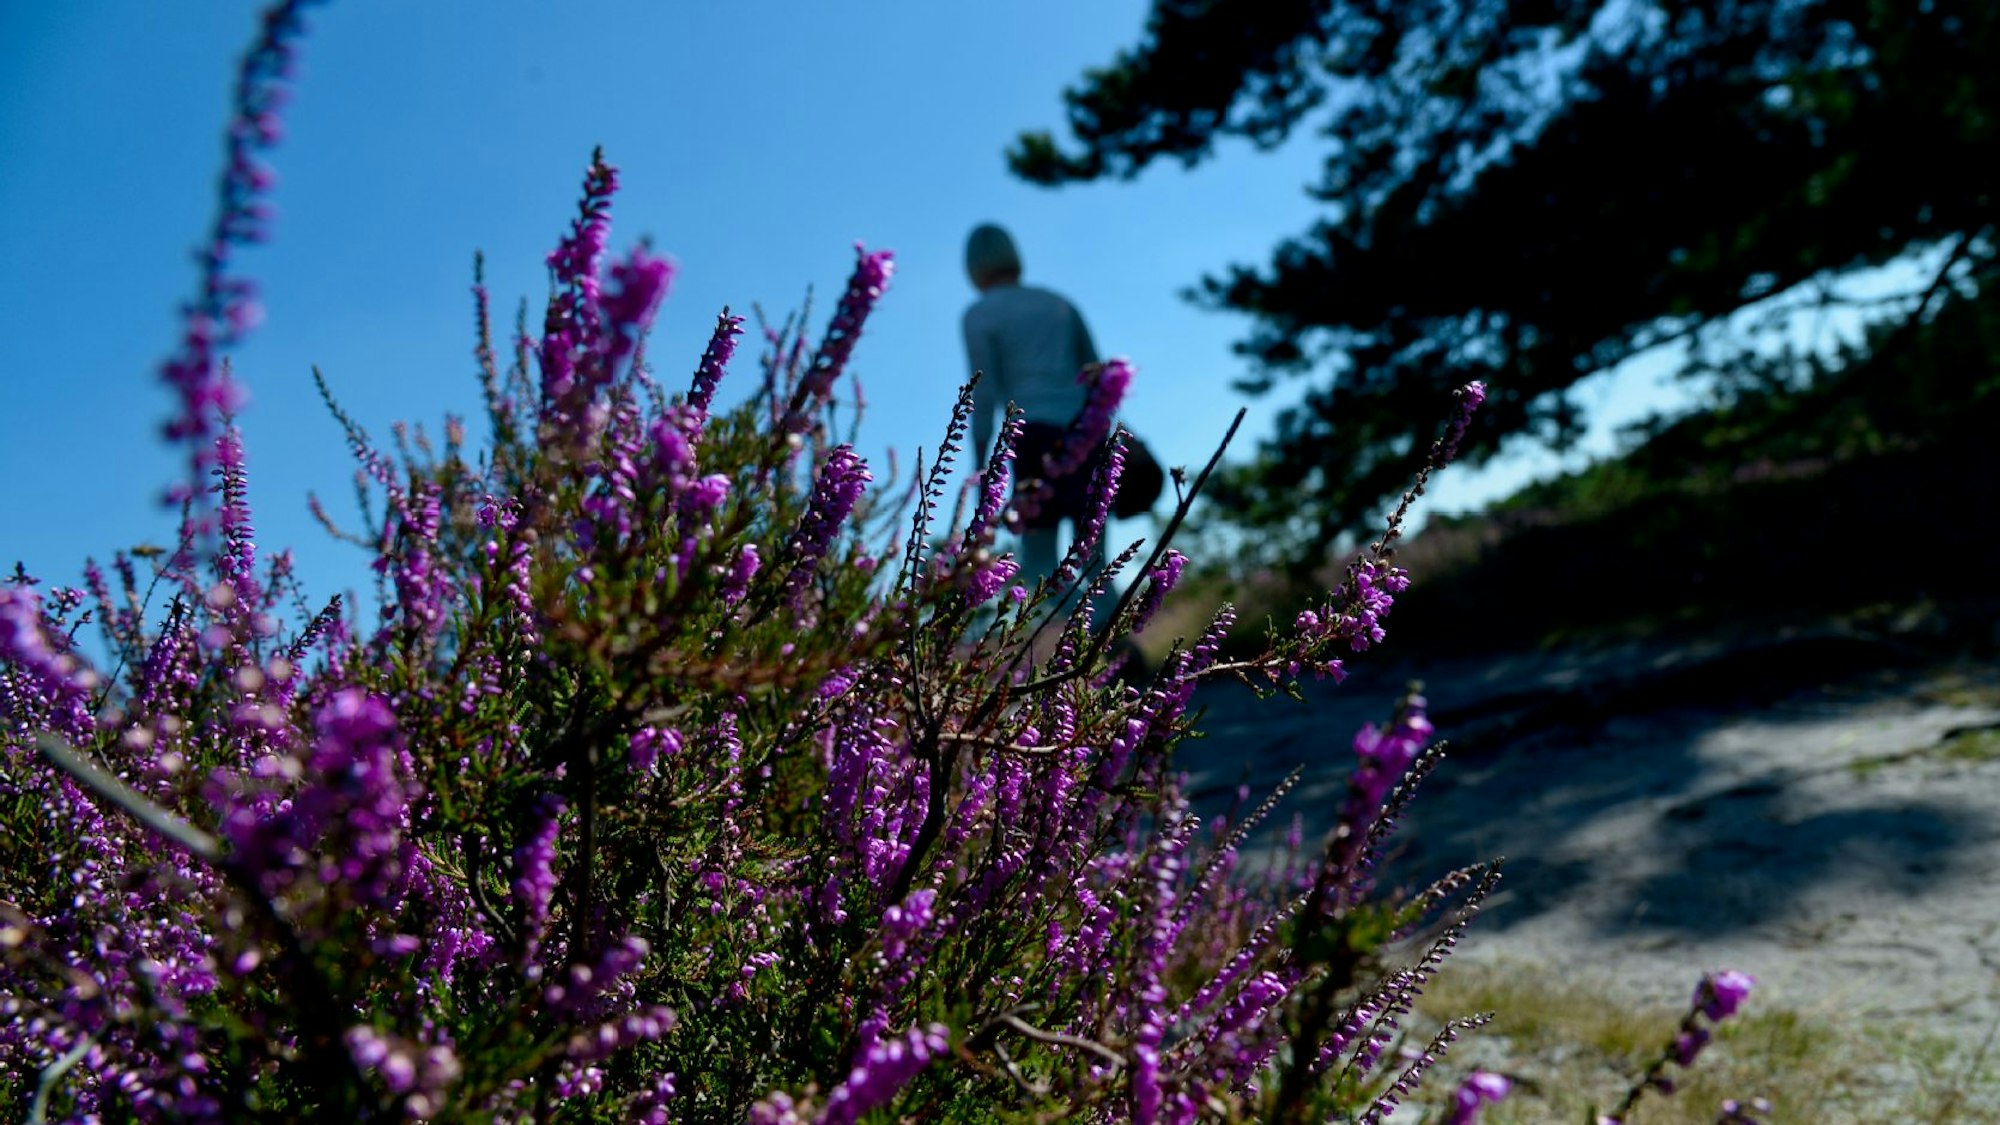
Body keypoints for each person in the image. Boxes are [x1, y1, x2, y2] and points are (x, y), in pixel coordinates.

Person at [960, 223, 1109, 603]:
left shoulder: (979, 315)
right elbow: (1099, 377)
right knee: (1095, 558)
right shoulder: (1057, 303)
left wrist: (982, 474)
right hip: (1087, 432)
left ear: (972, 265)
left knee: (1040, 562)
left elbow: (984, 393)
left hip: (1033, 437)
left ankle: (1070, 649)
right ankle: (1117, 648)